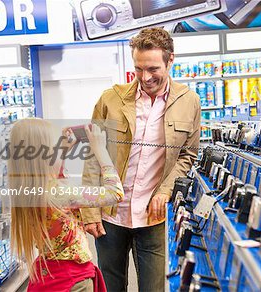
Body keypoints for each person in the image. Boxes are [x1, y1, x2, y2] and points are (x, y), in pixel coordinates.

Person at [81, 27, 201, 291]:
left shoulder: (189, 101)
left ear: (170, 61)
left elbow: (187, 154)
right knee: (111, 286)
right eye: (139, 69)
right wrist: (89, 210)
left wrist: (166, 191)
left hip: (153, 217)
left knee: (154, 287)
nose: (145, 77)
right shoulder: (110, 99)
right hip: (110, 215)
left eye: (153, 69)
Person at [8, 118, 124, 292]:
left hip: (47, 275)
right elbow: (115, 192)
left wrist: (62, 150)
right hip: (72, 281)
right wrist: (100, 150)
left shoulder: (26, 190)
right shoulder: (60, 193)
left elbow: (51, 174)